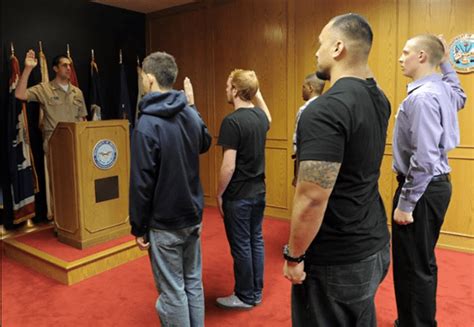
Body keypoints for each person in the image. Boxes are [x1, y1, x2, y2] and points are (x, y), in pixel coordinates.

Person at [283, 13, 391, 326]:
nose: (316, 52)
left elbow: (312, 198)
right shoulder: (379, 99)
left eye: (321, 43)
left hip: (336, 259)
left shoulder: (324, 110)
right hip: (373, 244)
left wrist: (294, 255)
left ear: (338, 48)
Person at [129, 51, 212, 327]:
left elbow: (142, 183)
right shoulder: (188, 113)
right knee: (192, 283)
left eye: (142, 76)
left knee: (173, 290)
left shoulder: (146, 123)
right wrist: (193, 105)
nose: (142, 81)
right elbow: (205, 141)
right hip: (192, 215)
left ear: (150, 79)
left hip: (164, 223)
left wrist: (138, 226)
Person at [392, 34, 466, 327]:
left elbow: (422, 160)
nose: (400, 57)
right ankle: (413, 320)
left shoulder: (423, 97)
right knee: (420, 261)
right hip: (436, 186)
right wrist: (445, 62)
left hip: (421, 189)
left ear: (422, 56)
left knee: (412, 265)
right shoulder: (441, 89)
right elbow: (461, 95)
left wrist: (405, 204)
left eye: (406, 51)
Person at [215, 69, 271, 309]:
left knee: (241, 246)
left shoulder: (232, 121)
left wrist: (219, 193)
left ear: (236, 90)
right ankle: (256, 292)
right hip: (259, 192)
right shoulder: (259, 117)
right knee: (255, 240)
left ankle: (245, 296)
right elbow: (268, 115)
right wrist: (257, 92)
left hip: (238, 196)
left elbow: (228, 167)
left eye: (229, 86)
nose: (226, 90)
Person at [15, 50, 88, 219]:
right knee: (58, 186)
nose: (68, 68)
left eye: (70, 65)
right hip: (55, 146)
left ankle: (78, 220)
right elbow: (20, 94)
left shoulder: (77, 92)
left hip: (76, 146)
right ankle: (61, 222)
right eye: (64, 65)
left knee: (77, 185)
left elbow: (83, 119)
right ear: (55, 68)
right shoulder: (45, 89)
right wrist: (27, 69)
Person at [292, 74, 325, 186]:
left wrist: (297, 174)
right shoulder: (327, 107)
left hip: (305, 164)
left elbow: (298, 143)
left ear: (310, 88)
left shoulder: (304, 110)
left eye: (303, 87)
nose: (302, 90)